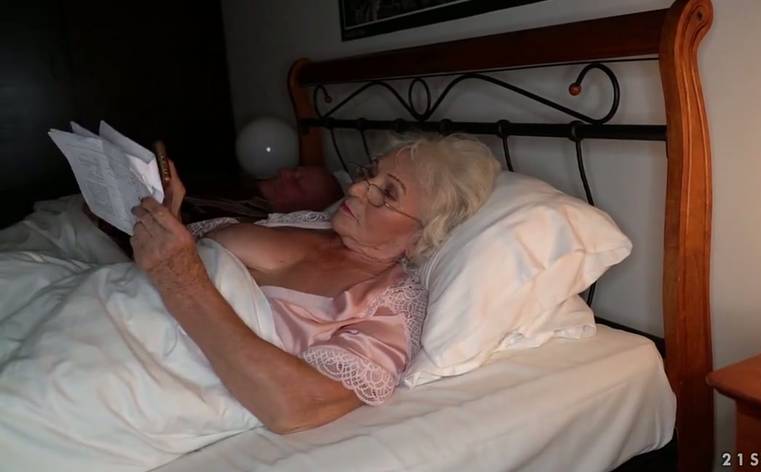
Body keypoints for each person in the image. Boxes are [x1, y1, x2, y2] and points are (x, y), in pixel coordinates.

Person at [129, 133, 501, 434]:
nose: (356, 189)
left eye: (387, 193)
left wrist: (182, 281)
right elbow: (185, 258)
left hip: (140, 374)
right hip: (124, 299)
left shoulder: (391, 306)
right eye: (369, 174)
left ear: (422, 234)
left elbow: (294, 407)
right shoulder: (310, 222)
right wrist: (168, 220)